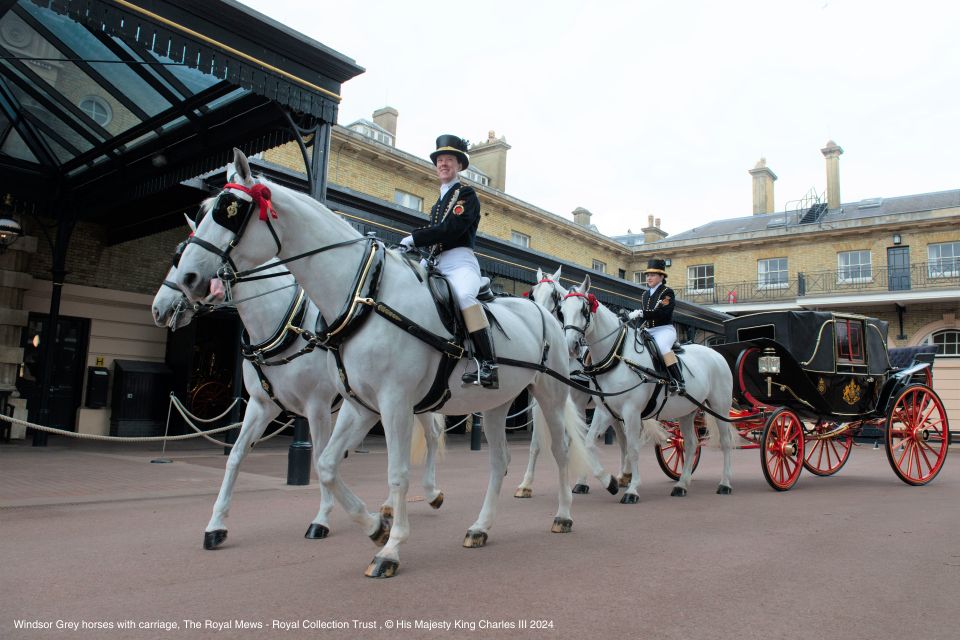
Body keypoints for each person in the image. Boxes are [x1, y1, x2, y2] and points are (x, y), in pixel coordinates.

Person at [399, 135, 498, 389]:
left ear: (459, 166)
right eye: (440, 160)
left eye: (449, 160)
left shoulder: (466, 195)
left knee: (464, 297)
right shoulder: (437, 204)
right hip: (435, 263)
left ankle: (488, 363)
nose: (443, 164)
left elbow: (452, 229)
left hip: (459, 263)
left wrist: (414, 237)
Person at [629, 258, 684, 393]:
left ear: (661, 276)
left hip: (664, 329)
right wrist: (635, 326)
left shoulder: (667, 292)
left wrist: (641, 313)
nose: (649, 278)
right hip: (649, 330)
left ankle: (678, 381)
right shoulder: (645, 295)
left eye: (652, 275)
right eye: (647, 275)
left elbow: (662, 314)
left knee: (663, 348)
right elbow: (644, 318)